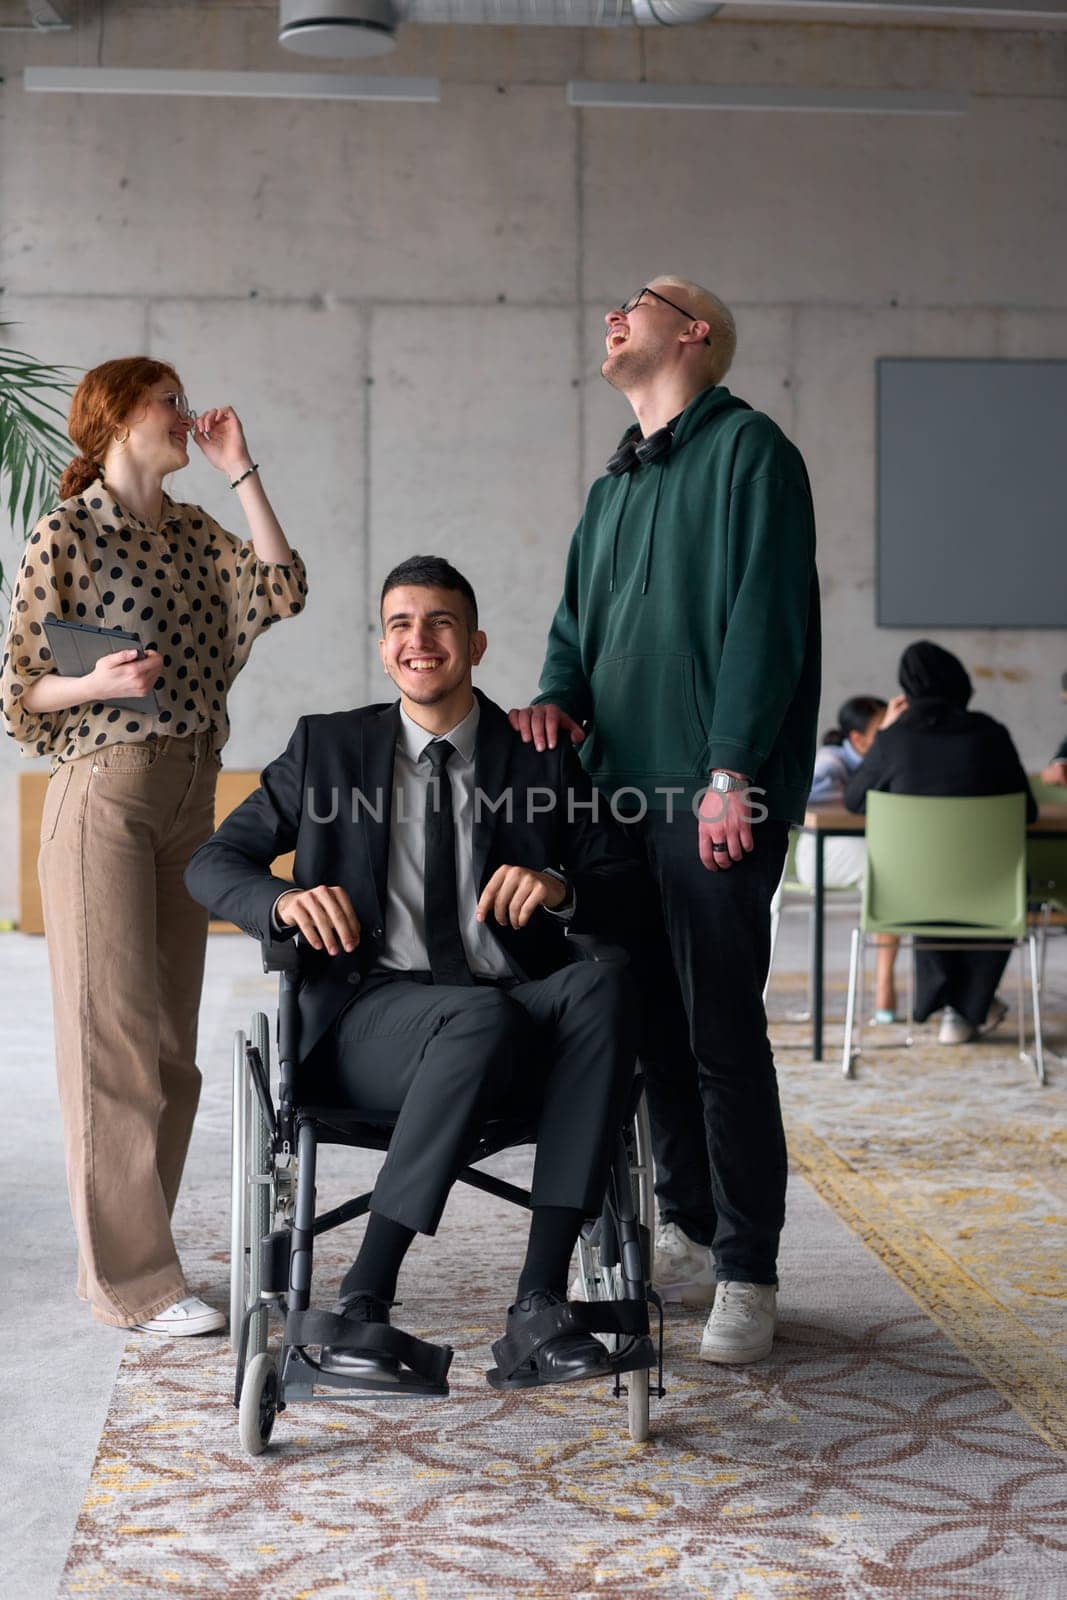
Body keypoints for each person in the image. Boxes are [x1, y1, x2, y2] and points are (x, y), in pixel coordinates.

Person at [184, 555, 640, 1387]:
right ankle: (364, 1300)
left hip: (512, 1008)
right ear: (383, 646)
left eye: (438, 624)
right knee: (477, 1016)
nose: (417, 640)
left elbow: (618, 878)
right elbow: (215, 862)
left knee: (601, 986)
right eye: (400, 624)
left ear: (474, 644)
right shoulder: (327, 747)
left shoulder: (534, 756)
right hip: (371, 1020)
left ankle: (539, 1303)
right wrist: (283, 903)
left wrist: (557, 887)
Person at [509, 278, 821, 1365]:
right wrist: (556, 700)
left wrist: (731, 768)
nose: (610, 314)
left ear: (691, 333)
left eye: (633, 302)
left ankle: (749, 1267)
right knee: (644, 1035)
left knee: (719, 1031)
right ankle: (686, 1223)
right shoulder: (610, 491)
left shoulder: (751, 454)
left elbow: (764, 622)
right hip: (610, 804)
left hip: (708, 798)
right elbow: (572, 636)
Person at [0, 356, 308, 1335]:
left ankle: (138, 1257)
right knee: (116, 1049)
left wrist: (239, 467)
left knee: (174, 1056)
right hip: (104, 795)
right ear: (121, 417)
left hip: (191, 795)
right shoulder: (69, 532)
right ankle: (129, 1282)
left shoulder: (189, 532)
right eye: (168, 401)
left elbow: (281, 587)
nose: (187, 412)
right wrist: (96, 683)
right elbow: (18, 685)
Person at [843, 640, 1037, 1045]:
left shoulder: (893, 741)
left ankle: (955, 1005)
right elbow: (1028, 811)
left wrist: (890, 732)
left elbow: (854, 800)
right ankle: (967, 1006)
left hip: (908, 896)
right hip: (992, 892)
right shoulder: (991, 734)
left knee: (930, 879)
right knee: (981, 881)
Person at [796, 694, 899, 1021]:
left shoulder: (882, 759)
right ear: (858, 738)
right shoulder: (831, 762)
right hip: (820, 853)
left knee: (893, 866)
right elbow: (802, 798)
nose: (889, 736)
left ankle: (885, 981)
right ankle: (885, 985)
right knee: (890, 871)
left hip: (864, 847)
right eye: (883, 730)